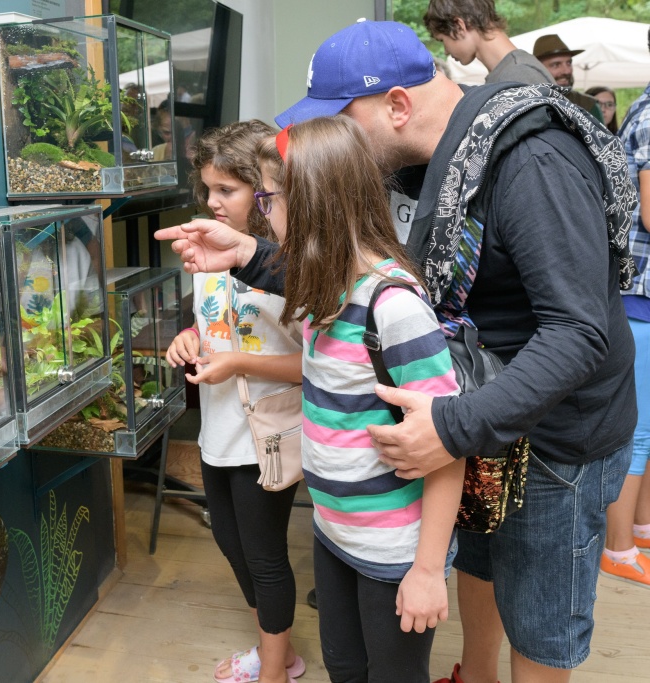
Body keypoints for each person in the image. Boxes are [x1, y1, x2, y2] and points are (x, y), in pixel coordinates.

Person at [158, 20, 637, 683]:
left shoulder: (532, 159)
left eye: (344, 122)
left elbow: (578, 332)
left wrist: (449, 428)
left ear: (398, 106)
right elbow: (355, 279)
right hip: (483, 417)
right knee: (480, 563)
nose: (338, 145)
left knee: (540, 625)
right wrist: (249, 256)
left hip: (555, 434)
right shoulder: (424, 161)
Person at [268, 116, 464, 682]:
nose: (265, 213)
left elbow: (448, 442)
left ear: (311, 201)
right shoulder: (322, 292)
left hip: (395, 553)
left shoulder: (394, 308)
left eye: (269, 198)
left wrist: (427, 570)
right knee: (346, 668)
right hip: (333, 533)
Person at [164, 119, 306, 683]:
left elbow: (315, 364)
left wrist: (241, 362)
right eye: (207, 190)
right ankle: (279, 652)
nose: (213, 202)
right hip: (217, 432)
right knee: (230, 542)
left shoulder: (294, 265)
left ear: (264, 189)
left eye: (227, 190)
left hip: (265, 434)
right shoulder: (206, 254)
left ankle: (275, 671)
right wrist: (190, 338)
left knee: (265, 554)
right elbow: (212, 327)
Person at [600, 39, 650, 587]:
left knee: (649, 428)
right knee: (637, 430)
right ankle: (617, 548)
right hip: (639, 296)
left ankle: (639, 529)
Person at [423, 0, 552, 84]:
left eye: (442, 40)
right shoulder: (510, 73)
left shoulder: (519, 76)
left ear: (459, 26)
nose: (446, 51)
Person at [533, 34, 604, 120]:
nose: (567, 71)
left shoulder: (588, 105)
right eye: (556, 65)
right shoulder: (525, 104)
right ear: (538, 68)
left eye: (568, 63)